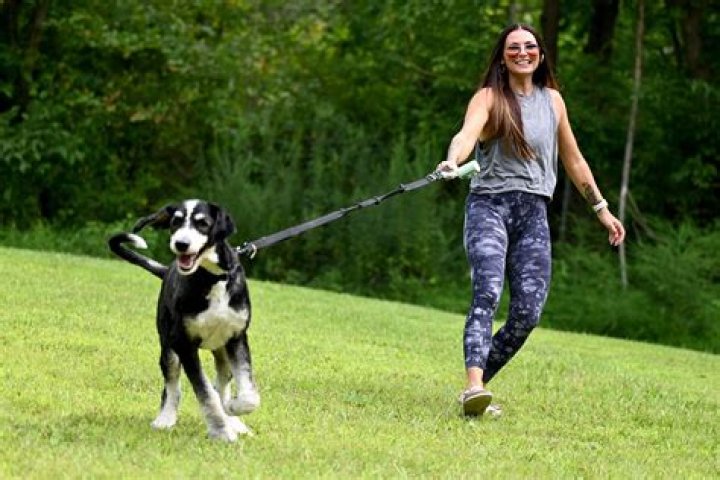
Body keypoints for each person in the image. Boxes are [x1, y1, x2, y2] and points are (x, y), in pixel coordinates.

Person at [437, 24, 625, 417]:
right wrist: (453, 161)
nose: (522, 52)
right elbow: (466, 134)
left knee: (527, 312)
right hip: (489, 206)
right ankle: (474, 387)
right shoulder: (489, 97)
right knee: (487, 292)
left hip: (533, 213)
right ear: (502, 57)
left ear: (540, 54)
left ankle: (477, 385)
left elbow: (574, 160)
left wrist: (602, 209)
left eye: (529, 46)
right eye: (513, 48)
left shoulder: (553, 101)